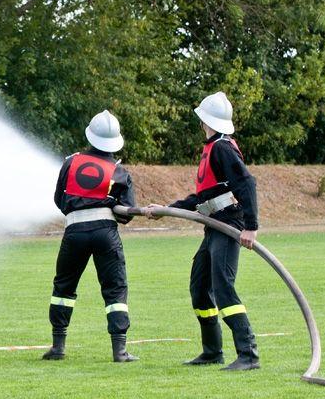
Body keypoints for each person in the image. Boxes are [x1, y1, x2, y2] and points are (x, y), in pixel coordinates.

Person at [145, 91, 260, 371]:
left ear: (204, 121)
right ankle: (212, 351)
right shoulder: (212, 149)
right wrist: (166, 208)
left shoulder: (222, 147)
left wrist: (251, 226)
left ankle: (248, 354)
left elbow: (247, 184)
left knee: (223, 288)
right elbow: (202, 198)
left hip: (228, 225)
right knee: (200, 287)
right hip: (213, 227)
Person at [43, 110, 138, 363]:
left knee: (63, 287)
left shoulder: (70, 162)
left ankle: (58, 346)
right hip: (106, 232)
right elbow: (127, 214)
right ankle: (120, 351)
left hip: (74, 231)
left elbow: (59, 199)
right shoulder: (119, 172)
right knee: (115, 289)